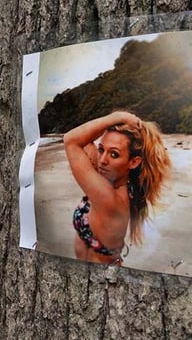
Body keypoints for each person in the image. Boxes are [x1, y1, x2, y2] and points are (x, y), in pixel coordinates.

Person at [63, 110, 171, 265]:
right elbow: (86, 141)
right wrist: (114, 125)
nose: (102, 160)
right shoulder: (113, 180)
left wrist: (118, 117)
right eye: (101, 150)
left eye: (114, 154)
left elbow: (70, 140)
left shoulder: (109, 198)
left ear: (133, 162)